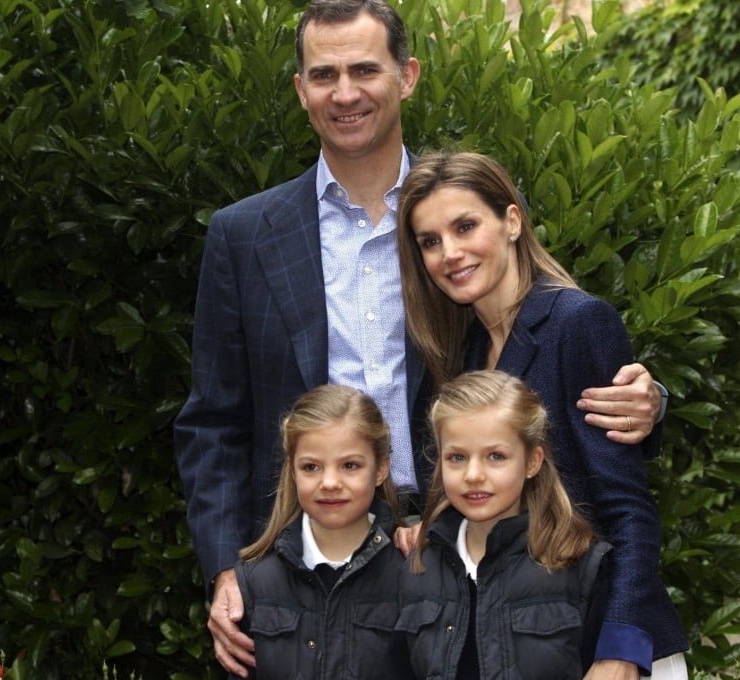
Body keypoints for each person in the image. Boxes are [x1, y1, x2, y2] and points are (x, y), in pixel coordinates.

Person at [173, 1, 662, 675]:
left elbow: (545, 341)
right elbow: (214, 421)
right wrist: (226, 566)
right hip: (304, 568)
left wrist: (648, 400)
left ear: (406, 76)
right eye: (324, 75)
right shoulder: (242, 234)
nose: (345, 93)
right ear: (300, 90)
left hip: (459, 555)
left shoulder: (452, 218)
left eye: (365, 69)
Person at [396, 151, 689, 679]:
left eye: (465, 227)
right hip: (523, 645)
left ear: (512, 222)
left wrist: (621, 649)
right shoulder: (457, 354)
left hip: (602, 641)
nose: (450, 253)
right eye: (430, 241)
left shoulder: (577, 322)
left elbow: (627, 508)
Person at [393, 370, 613, 679]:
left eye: (495, 456)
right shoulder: (418, 567)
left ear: (533, 461)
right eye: (457, 457)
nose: (473, 475)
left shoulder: (580, 564)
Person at [233, 384, 403, 679]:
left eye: (350, 465)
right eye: (311, 467)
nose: (330, 483)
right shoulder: (253, 580)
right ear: (292, 470)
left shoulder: (412, 571)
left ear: (380, 468)